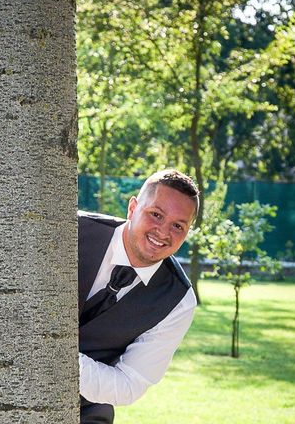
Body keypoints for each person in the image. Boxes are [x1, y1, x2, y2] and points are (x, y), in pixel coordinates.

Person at [78, 169, 199, 423]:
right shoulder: (74, 231)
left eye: (178, 226)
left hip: (86, 411)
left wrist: (56, 359)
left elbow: (128, 384)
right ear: (133, 208)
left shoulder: (178, 300)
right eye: (156, 214)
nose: (163, 232)